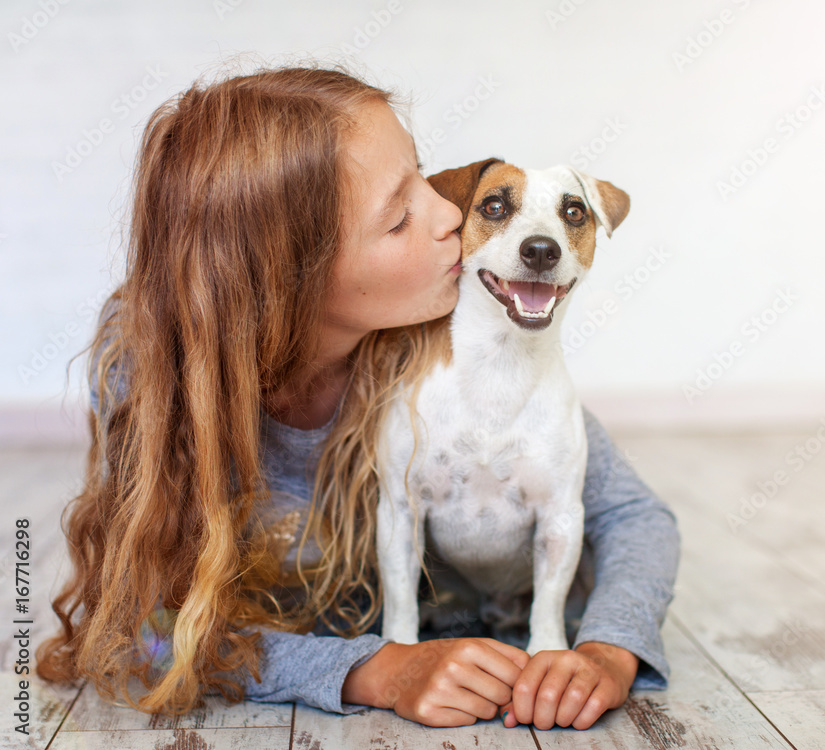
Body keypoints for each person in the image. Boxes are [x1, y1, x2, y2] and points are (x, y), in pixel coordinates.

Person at [36, 64, 680, 731]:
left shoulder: (458, 335)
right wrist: (373, 669)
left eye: (424, 174)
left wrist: (608, 650)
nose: (450, 212)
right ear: (294, 276)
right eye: (401, 216)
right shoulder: (155, 371)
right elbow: (151, 634)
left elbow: (632, 515)